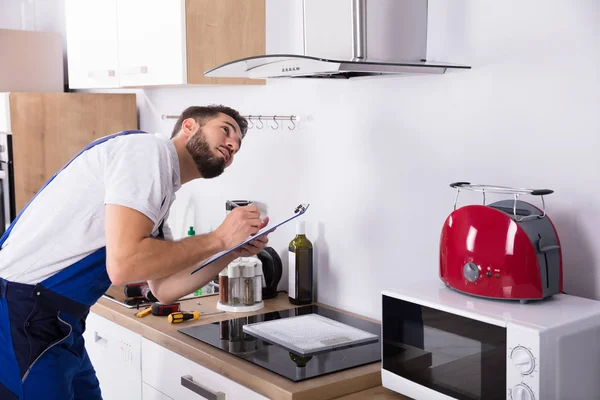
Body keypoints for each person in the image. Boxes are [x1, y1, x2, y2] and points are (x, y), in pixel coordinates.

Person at [0, 105, 271, 399]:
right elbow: (124, 265)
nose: (233, 144)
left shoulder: (161, 187)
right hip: (22, 310)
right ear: (189, 126)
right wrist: (219, 237)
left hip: (60, 320)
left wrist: (230, 250)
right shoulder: (146, 152)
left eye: (238, 145)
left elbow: (165, 289)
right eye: (226, 130)